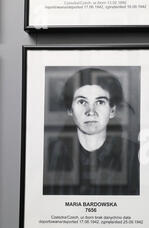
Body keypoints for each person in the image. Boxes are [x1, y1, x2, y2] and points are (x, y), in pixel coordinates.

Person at [43, 67, 140, 195]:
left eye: (100, 102)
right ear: (69, 109)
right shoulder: (48, 155)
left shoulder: (134, 155)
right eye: (82, 101)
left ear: (112, 110)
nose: (91, 111)